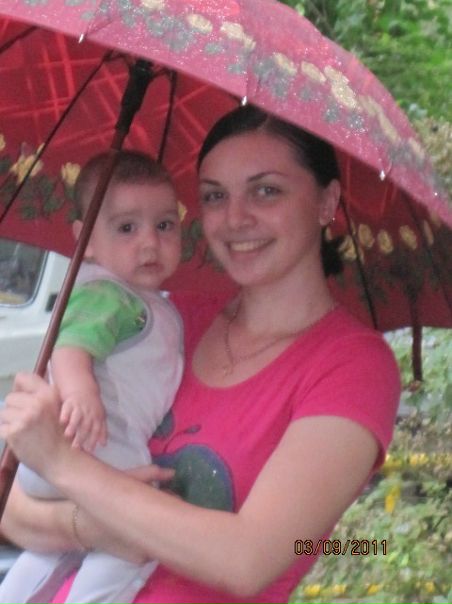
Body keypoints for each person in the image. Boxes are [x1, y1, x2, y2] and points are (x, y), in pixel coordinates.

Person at [0, 105, 400, 604]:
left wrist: (65, 467)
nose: (235, 218)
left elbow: (248, 560)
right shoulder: (167, 318)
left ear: (327, 201)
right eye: (214, 196)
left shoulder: (352, 367)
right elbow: (13, 510)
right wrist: (91, 525)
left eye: (266, 191)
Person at [0, 151, 184, 604]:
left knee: (49, 555)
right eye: (127, 228)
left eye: (165, 225)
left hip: (60, 457)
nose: (150, 242)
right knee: (139, 537)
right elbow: (71, 344)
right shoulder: (109, 294)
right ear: (86, 240)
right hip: (98, 446)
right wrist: (81, 391)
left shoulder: (140, 298)